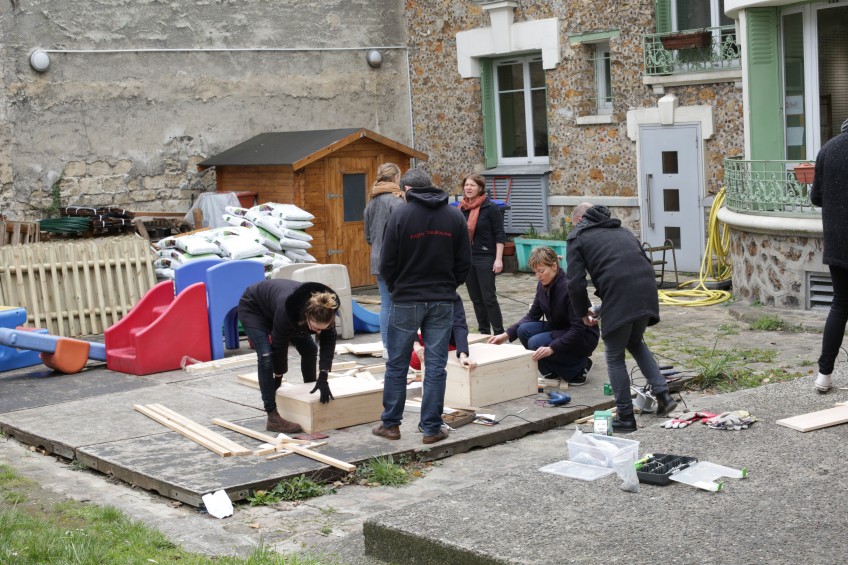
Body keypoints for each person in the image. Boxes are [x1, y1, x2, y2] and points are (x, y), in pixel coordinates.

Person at [373, 167, 471, 444]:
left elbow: (386, 262)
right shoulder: (453, 215)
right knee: (436, 365)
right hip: (442, 298)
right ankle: (431, 428)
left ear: (406, 190)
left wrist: (396, 288)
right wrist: (449, 286)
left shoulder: (401, 214)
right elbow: (465, 261)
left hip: (406, 299)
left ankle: (390, 424)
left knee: (397, 363)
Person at [566, 203, 678, 433]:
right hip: (646, 291)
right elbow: (635, 265)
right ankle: (663, 395)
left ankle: (625, 416)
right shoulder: (623, 231)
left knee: (614, 355)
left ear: (578, 220)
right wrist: (603, 305)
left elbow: (575, 283)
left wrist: (582, 312)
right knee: (635, 342)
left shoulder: (578, 237)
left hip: (620, 294)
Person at [238, 278, 340, 434]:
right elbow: (279, 345)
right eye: (315, 328)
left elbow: (328, 343)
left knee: (310, 350)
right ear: (307, 316)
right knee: (266, 357)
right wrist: (278, 375)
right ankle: (272, 416)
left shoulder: (326, 313)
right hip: (254, 307)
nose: (318, 332)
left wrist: (323, 375)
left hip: (280, 310)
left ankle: (309, 394)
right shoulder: (288, 312)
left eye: (322, 329)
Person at [488, 246, 598, 384]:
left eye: (541, 271)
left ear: (554, 266)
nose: (538, 276)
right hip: (559, 329)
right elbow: (532, 315)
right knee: (523, 331)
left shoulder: (569, 289)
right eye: (535, 272)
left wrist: (552, 348)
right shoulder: (542, 285)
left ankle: (579, 368)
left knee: (535, 342)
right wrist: (506, 335)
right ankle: (553, 370)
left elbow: (578, 330)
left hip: (583, 337)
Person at [809, 118, 848, 393]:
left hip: (838, 243)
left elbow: (816, 198)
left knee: (840, 305)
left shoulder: (828, 149)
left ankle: (824, 375)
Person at [364, 162, 405, 357]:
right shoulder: (397, 202)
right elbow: (404, 233)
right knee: (398, 305)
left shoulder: (370, 203)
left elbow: (368, 237)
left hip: (377, 259)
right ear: (396, 178)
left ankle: (386, 346)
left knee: (386, 304)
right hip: (396, 261)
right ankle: (396, 346)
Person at [458, 173, 506, 336]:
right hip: (467, 258)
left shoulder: (490, 208)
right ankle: (484, 332)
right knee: (476, 299)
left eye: (472, 185)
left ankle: (499, 333)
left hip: (486, 257)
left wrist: (498, 259)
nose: (468, 188)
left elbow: (500, 234)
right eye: (466, 185)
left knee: (489, 298)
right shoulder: (460, 208)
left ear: (480, 188)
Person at [410, 294, 477, 372]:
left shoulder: (452, 295)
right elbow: (409, 323)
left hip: (448, 341)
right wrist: (416, 344)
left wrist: (463, 355)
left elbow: (459, 326)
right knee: (401, 342)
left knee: (414, 359)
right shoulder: (417, 293)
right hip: (428, 337)